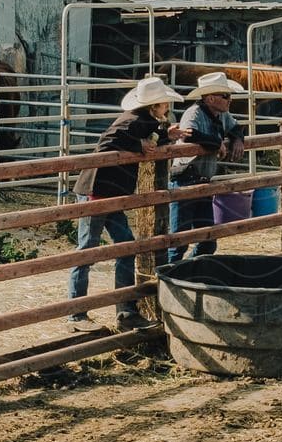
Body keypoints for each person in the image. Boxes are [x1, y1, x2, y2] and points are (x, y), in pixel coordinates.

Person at [68, 75, 180, 329]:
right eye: (164, 105)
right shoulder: (131, 122)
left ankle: (125, 311)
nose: (167, 109)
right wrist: (139, 143)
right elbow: (110, 143)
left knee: (126, 246)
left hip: (111, 192)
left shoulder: (142, 122)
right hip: (97, 191)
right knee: (88, 249)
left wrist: (165, 136)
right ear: (154, 107)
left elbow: (147, 140)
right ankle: (76, 313)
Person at [166, 70, 247, 262]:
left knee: (208, 241)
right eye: (225, 96)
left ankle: (187, 271)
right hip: (185, 180)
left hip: (202, 182)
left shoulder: (221, 115)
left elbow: (236, 127)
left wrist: (237, 139)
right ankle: (170, 278)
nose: (229, 100)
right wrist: (216, 143)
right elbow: (189, 134)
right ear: (210, 98)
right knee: (179, 241)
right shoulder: (193, 113)